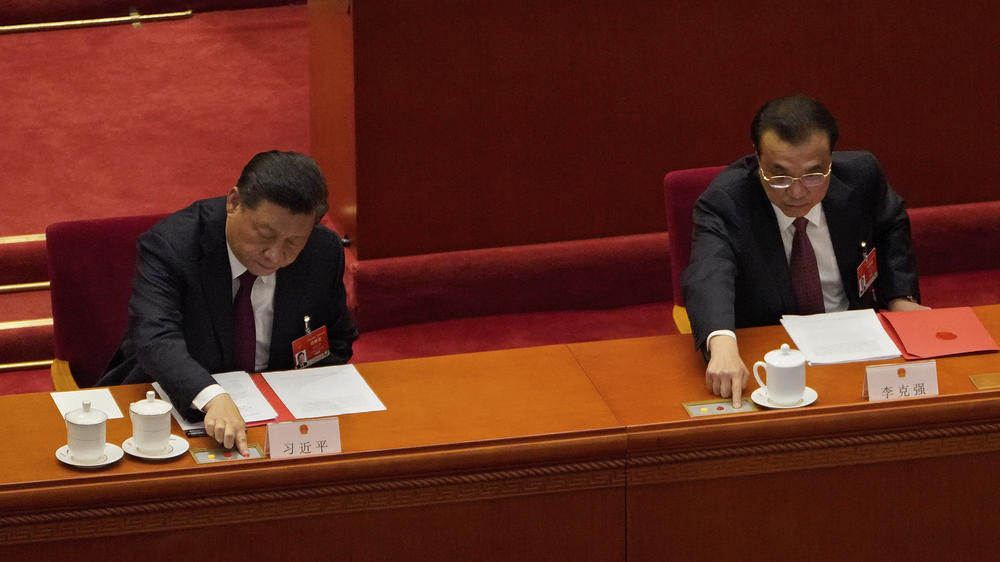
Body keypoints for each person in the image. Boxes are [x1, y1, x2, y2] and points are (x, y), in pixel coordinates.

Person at [98, 151, 358, 455]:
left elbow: (337, 339)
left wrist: (304, 396)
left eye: (292, 243)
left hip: (279, 421)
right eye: (264, 235)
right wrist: (211, 397)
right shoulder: (172, 246)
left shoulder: (321, 252)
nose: (274, 255)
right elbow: (154, 338)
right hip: (174, 410)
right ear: (234, 202)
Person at [682, 95, 926, 407]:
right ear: (757, 157)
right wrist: (722, 343)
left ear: (831, 159)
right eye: (779, 175)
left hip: (854, 340)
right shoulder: (726, 202)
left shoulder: (863, 176)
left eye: (813, 174)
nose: (797, 192)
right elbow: (708, 271)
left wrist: (900, 299)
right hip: (772, 353)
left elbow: (890, 225)